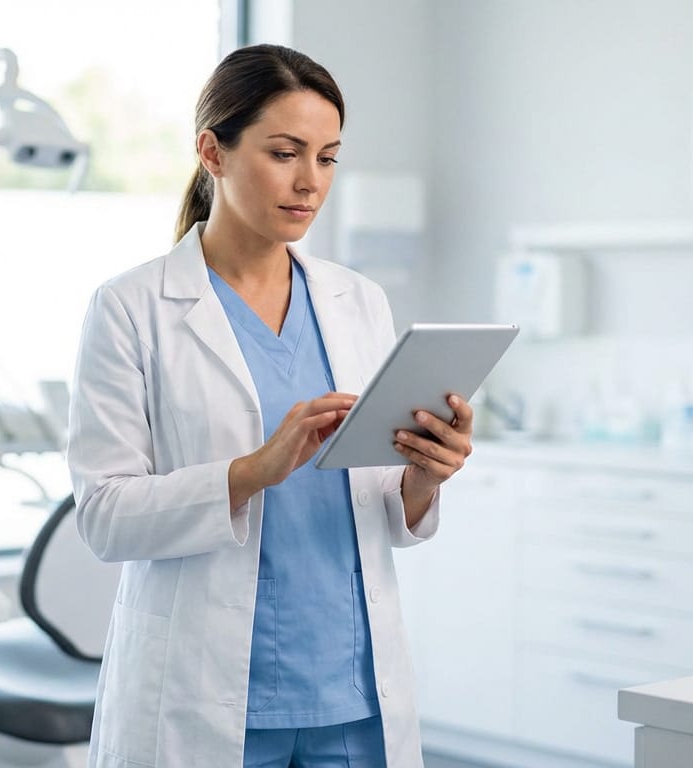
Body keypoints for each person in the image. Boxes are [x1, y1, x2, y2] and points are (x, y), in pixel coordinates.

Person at [66, 43, 474, 768]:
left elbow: (378, 502)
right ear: (212, 152)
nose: (309, 183)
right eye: (285, 153)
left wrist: (423, 477)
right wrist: (253, 469)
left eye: (327, 158)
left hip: (351, 691)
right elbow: (104, 516)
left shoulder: (359, 302)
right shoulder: (131, 307)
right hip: (205, 693)